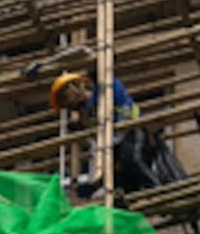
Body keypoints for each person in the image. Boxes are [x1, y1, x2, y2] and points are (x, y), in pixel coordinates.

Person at [49, 71, 187, 195]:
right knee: (120, 178)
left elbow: (103, 74)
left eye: (66, 98)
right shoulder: (89, 118)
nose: (67, 104)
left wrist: (94, 72)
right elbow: (108, 154)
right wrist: (95, 185)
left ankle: (158, 192)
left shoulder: (103, 91)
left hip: (134, 130)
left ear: (76, 87)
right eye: (63, 103)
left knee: (132, 159)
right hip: (119, 143)